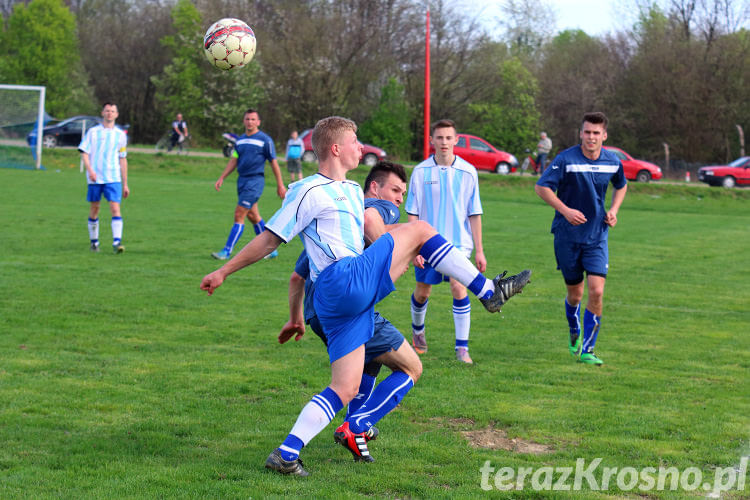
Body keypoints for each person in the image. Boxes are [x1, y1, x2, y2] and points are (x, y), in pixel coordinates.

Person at [200, 116, 531, 476]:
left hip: (341, 301)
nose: (362, 148)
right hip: (340, 280)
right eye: (355, 142)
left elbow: (373, 236)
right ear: (336, 148)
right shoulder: (308, 190)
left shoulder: (354, 191)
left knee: (344, 388)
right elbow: (270, 238)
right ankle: (488, 292)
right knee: (421, 227)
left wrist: (409, 249)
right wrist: (223, 270)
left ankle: (286, 453)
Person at [278, 161, 416, 451]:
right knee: (410, 367)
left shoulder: (335, 222)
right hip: (347, 307)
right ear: (374, 187)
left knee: (368, 363)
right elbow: (370, 220)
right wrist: (397, 247)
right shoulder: (378, 207)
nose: (398, 199)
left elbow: (295, 278)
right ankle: (356, 425)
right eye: (395, 190)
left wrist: (296, 319)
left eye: (403, 194)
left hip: (318, 312)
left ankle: (353, 431)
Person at [534, 112, 627, 366]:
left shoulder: (612, 161)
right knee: (575, 294)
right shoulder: (565, 159)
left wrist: (614, 211)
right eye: (587, 132)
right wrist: (565, 210)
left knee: (596, 291)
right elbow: (541, 187)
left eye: (596, 133)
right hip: (567, 237)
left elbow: (622, 185)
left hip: (597, 236)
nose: (591, 137)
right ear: (581, 133)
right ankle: (573, 323)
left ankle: (588, 349)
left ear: (604, 136)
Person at [405, 119, 485, 364]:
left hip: (459, 244)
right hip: (427, 244)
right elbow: (413, 212)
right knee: (422, 292)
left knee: (459, 287)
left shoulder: (469, 172)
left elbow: (474, 212)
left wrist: (480, 251)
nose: (444, 142)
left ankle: (462, 348)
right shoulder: (420, 172)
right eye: (439, 138)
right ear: (432, 140)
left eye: (448, 138)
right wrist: (413, 247)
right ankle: (418, 333)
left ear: (456, 140)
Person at [211, 109, 286, 260]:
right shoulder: (240, 140)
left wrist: (280, 185)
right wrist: (222, 177)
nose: (250, 122)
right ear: (244, 121)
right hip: (242, 181)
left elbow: (274, 163)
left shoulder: (265, 140)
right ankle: (271, 250)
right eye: (247, 119)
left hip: (255, 181)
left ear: (258, 122)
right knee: (253, 215)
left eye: (253, 119)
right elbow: (234, 160)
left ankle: (226, 251)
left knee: (239, 214)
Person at [79, 102, 129, 254]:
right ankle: (94, 242)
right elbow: (84, 152)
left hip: (113, 177)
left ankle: (117, 242)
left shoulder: (120, 135)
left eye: (112, 111)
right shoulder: (93, 132)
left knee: (115, 207)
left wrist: (125, 183)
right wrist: (90, 171)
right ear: (102, 113)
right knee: (95, 208)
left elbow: (122, 158)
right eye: (107, 111)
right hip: (95, 178)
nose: (109, 113)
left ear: (117, 114)